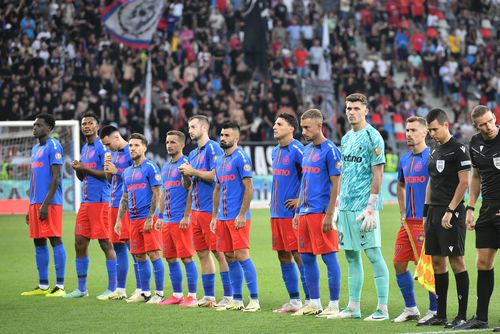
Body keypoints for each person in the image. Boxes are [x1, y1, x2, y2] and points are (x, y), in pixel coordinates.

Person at [331, 93, 390, 321]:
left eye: (356, 108)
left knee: (374, 255)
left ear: (365, 110)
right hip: (346, 206)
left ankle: (382, 309)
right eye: (348, 108)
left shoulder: (373, 137)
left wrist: (371, 206)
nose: (351, 112)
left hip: (364, 207)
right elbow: (344, 173)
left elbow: (379, 173)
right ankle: (353, 307)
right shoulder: (345, 139)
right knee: (351, 256)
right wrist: (337, 204)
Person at [421, 108, 470, 328]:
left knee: (456, 261)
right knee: (438, 263)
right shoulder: (434, 151)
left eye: (434, 129)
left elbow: (464, 183)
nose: (431, 133)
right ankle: (440, 314)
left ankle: (461, 315)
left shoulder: (459, 150)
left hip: (452, 213)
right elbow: (431, 182)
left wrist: (450, 210)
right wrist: (426, 212)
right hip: (433, 213)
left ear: (446, 125)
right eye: (429, 130)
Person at [291, 109, 342, 317]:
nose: (303, 131)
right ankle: (314, 302)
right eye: (302, 127)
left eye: (307, 128)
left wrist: (330, 215)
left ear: (320, 126)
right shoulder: (307, 150)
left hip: (321, 213)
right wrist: (297, 211)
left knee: (329, 259)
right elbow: (304, 182)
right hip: (304, 213)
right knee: (307, 258)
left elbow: (336, 184)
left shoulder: (330, 150)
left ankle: (334, 304)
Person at [178, 115, 231, 308]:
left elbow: (217, 175)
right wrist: (185, 176)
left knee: (219, 253)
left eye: (193, 127)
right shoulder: (192, 154)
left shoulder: (214, 148)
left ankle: (229, 296)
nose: (190, 130)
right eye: (188, 127)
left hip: (211, 210)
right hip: (197, 211)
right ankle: (209, 296)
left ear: (204, 128)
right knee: (201, 253)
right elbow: (190, 186)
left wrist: (194, 172)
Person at [455, 105, 499, 330]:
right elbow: (476, 177)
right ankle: (481, 318)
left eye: (490, 121)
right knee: (483, 263)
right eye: (482, 124)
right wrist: (470, 207)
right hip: (488, 210)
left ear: (494, 118)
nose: (488, 127)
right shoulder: (475, 144)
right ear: (476, 126)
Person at [65, 112, 117, 299]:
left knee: (105, 243)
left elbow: (108, 175)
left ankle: (113, 289)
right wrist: (79, 169)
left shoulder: (103, 149)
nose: (86, 126)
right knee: (79, 242)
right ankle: (82, 289)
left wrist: (84, 168)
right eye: (84, 123)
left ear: (97, 126)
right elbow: (82, 177)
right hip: (86, 203)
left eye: (89, 123)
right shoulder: (85, 149)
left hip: (100, 202)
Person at [392, 116, 438, 323]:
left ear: (425, 132)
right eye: (407, 130)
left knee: (428, 267)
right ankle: (411, 308)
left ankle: (436, 310)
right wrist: (403, 211)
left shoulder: (433, 157)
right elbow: (400, 185)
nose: (408, 134)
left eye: (413, 130)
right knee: (399, 263)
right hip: (407, 222)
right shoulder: (404, 159)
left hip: (424, 222)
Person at [210, 122, 260, 312]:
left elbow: (249, 187)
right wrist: (214, 216)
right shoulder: (220, 160)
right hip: (222, 218)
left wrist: (241, 214)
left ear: (236, 138)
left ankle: (254, 300)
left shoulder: (241, 158)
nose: (223, 138)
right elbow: (217, 188)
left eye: (227, 135)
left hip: (237, 218)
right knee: (229, 256)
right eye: (222, 135)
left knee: (242, 255)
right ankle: (237, 299)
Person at [116, 133, 165, 304]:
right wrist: (118, 220)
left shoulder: (150, 167)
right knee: (139, 256)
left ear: (144, 148)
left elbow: (157, 192)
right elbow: (124, 197)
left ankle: (159, 293)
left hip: (147, 218)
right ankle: (144, 292)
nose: (133, 148)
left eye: (136, 145)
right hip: (133, 219)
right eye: (130, 145)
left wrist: (151, 217)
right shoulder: (127, 172)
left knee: (153, 254)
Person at [22, 113, 67, 297]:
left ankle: (60, 287)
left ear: (49, 128)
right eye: (34, 125)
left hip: (50, 202)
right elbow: (34, 180)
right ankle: (43, 286)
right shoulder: (35, 149)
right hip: (35, 202)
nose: (35, 127)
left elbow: (56, 177)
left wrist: (46, 205)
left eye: (39, 125)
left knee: (54, 238)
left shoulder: (54, 146)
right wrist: (30, 206)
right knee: (38, 241)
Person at [270, 113, 310, 313]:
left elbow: (308, 176)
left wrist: (300, 201)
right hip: (276, 213)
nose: (274, 127)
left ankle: (311, 300)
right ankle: (294, 301)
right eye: (275, 123)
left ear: (291, 129)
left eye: (279, 124)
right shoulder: (275, 151)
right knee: (283, 255)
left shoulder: (298, 150)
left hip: (291, 213)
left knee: (298, 254)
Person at [158, 131, 199, 307]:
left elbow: (191, 189)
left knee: (186, 258)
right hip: (167, 220)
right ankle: (176, 294)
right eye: (167, 142)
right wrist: (159, 216)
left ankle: (192, 296)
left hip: (180, 220)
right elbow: (163, 192)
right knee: (170, 258)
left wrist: (186, 215)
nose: (169, 145)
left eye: (173, 142)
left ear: (182, 145)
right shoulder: (166, 166)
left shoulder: (187, 163)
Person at [99, 125, 141, 300]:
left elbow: (137, 175)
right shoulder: (113, 154)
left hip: (128, 205)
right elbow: (111, 179)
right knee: (118, 246)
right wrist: (108, 170)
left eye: (108, 144)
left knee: (134, 248)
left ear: (116, 138)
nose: (107, 148)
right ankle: (121, 289)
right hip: (113, 204)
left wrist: (118, 171)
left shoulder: (132, 151)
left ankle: (141, 288)